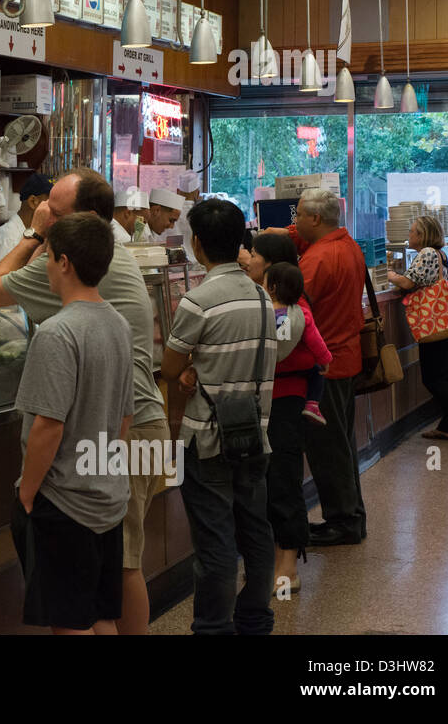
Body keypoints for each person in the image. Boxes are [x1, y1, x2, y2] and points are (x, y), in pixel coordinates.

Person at [0, 168, 170, 635]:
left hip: (112, 437)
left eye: (57, 214)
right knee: (115, 575)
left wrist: (26, 494)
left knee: (103, 580)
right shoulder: (110, 265)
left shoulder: (69, 294)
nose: (47, 218)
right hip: (132, 426)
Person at [11, 212, 134, 635]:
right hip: (106, 495)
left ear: (64, 263)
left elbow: (49, 424)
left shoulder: (56, 333)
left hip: (63, 502)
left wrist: (27, 494)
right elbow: (124, 417)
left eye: (45, 257)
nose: (43, 267)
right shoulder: (118, 323)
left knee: (69, 621)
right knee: (101, 614)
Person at [160, 198, 277, 635]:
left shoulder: (198, 299)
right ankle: (255, 620)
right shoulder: (262, 297)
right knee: (256, 532)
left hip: (208, 439)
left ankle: (213, 627)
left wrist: (191, 367)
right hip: (255, 433)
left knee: (215, 543)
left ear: (196, 244)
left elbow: (170, 369)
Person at [264, 188, 368, 546]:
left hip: (324, 369)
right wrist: (284, 233)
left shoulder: (317, 260)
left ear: (315, 219)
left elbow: (292, 312)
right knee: (342, 443)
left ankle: (343, 521)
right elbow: (301, 236)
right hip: (346, 359)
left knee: (327, 449)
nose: (294, 225)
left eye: (298, 218)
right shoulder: (347, 245)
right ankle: (352, 515)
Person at [241, 232, 314, 591]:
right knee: (263, 482)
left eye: (254, 253)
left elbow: (281, 349)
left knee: (282, 479)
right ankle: (270, 559)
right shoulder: (259, 295)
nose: (248, 258)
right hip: (261, 400)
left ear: (270, 265)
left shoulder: (291, 303)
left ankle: (289, 565)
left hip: (285, 399)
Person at [390, 216, 448, 442]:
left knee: (433, 379)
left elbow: (408, 283)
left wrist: (391, 275)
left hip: (434, 324)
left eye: (412, 232)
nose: (409, 235)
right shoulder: (440, 254)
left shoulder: (427, 253)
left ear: (422, 236)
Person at [266, 263, 330, 428]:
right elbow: (315, 341)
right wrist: (325, 359)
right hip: (297, 370)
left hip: (270, 370)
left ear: (272, 288)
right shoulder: (301, 313)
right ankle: (312, 404)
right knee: (317, 372)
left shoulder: (263, 312)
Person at [0, 174, 52, 298]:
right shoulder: (7, 240)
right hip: (0, 315)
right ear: (33, 202)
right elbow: (1, 295)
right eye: (50, 203)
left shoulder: (36, 235)